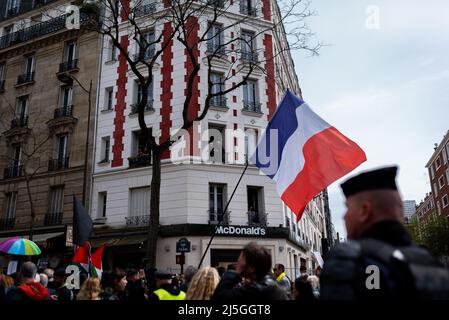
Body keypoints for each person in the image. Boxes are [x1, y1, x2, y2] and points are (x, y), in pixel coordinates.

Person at [320, 166, 449, 300]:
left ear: (365, 211)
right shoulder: (434, 266)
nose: (344, 216)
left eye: (347, 207)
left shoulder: (350, 259)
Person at [211, 242, 288, 301]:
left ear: (252, 267)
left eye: (240, 260)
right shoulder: (276, 289)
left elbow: (220, 297)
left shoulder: (254, 290)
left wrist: (233, 272)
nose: (237, 263)